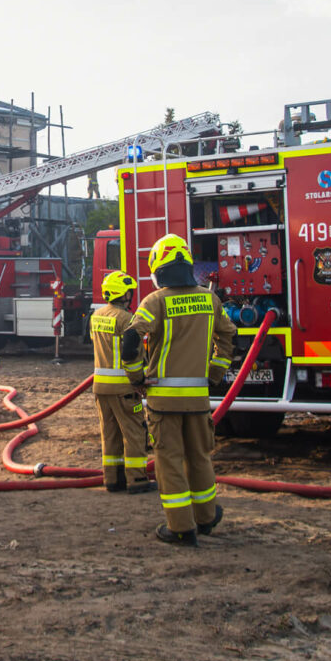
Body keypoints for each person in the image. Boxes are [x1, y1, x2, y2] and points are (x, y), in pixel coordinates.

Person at [123, 233, 236, 546]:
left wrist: (136, 378)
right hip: (199, 400)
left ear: (159, 268)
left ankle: (181, 528)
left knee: (170, 461)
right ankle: (206, 517)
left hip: (163, 403)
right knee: (200, 457)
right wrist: (215, 372)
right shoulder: (209, 299)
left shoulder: (155, 301)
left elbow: (131, 341)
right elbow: (228, 337)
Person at [90, 270, 153, 494]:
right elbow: (132, 354)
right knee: (135, 432)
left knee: (110, 434)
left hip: (100, 388)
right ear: (123, 293)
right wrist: (140, 380)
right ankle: (137, 480)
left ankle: (113, 480)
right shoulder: (127, 319)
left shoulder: (96, 316)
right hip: (124, 388)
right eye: (130, 291)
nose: (132, 294)